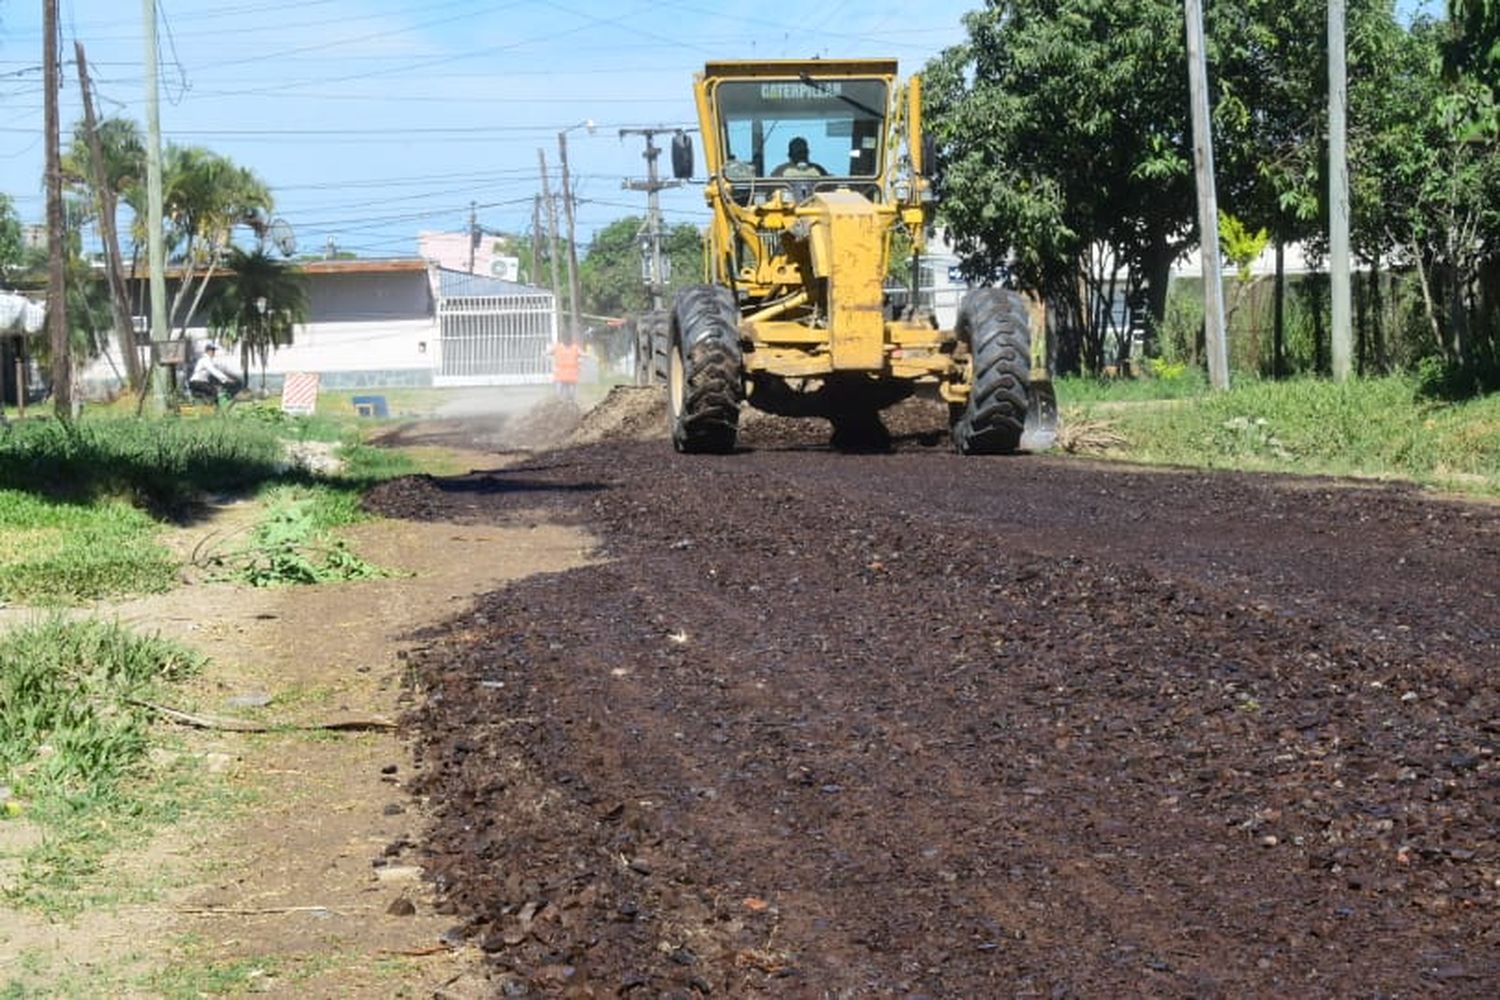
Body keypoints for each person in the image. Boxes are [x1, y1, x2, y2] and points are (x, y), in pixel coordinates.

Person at [552, 335, 581, 401]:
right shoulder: (557, 347)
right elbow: (548, 353)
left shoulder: (575, 348)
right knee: (559, 393)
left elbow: (582, 354)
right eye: (566, 339)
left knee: (571, 393)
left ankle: (570, 403)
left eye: (568, 340)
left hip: (571, 375)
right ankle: (559, 403)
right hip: (561, 375)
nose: (567, 341)